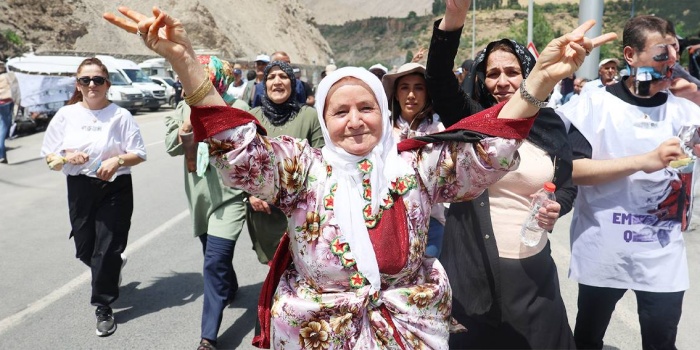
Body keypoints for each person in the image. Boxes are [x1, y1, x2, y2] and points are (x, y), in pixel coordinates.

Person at [103, 6, 605, 347]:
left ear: (383, 114)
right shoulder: (302, 168)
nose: (355, 120)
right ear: (324, 119)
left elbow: (488, 151)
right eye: (340, 111)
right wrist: (185, 63)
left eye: (366, 106)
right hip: (317, 330)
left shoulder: (418, 163)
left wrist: (540, 79)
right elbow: (239, 151)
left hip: (411, 324)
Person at [424, 0, 604, 347]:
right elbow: (438, 79)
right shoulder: (470, 121)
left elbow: (565, 185)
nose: (502, 81)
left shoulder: (551, 124)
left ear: (528, 75)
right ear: (480, 77)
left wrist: (556, 206)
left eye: (512, 71)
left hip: (534, 275)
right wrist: (456, 17)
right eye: (493, 73)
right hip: (472, 275)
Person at [556, 15, 700, 350]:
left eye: (675, 52)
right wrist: (644, 161)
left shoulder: (686, 110)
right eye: (661, 53)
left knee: (662, 341)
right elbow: (574, 170)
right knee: (589, 338)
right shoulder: (595, 104)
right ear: (630, 56)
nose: (672, 61)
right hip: (605, 249)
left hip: (663, 253)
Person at [40, 57, 147, 337]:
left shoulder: (120, 116)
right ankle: (113, 266)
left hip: (114, 188)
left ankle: (103, 306)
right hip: (79, 187)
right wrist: (66, 157)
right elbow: (48, 155)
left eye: (97, 80)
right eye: (85, 80)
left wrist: (117, 161)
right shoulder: (66, 115)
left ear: (107, 84)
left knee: (107, 248)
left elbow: (139, 153)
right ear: (77, 84)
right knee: (85, 249)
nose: (91, 85)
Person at [164, 55, 247, 350]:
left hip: (231, 197)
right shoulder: (181, 108)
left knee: (212, 262)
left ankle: (207, 337)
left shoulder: (237, 109)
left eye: (201, 79)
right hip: (199, 197)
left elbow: (246, 151)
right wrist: (187, 123)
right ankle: (231, 285)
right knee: (214, 256)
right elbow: (170, 147)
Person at [245, 59, 324, 264]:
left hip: (300, 211)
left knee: (302, 268)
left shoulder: (308, 116)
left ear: (292, 82)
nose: (277, 81)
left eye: (283, 76)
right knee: (274, 268)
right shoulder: (251, 118)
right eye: (271, 77)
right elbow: (240, 162)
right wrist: (251, 195)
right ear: (264, 84)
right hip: (264, 212)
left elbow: (321, 161)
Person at [381, 62, 446, 258]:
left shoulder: (440, 132)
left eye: (419, 88)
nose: (411, 95)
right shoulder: (382, 133)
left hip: (430, 223)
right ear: (396, 94)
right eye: (404, 88)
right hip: (388, 222)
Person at [0, 68, 19, 164]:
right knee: (4, 127)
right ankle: (1, 154)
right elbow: (15, 88)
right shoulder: (7, 76)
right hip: (6, 102)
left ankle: (2, 154)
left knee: (2, 126)